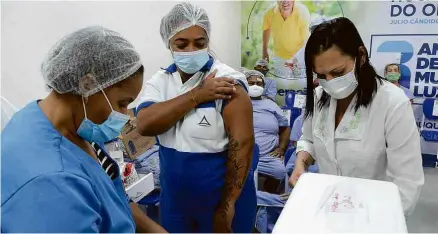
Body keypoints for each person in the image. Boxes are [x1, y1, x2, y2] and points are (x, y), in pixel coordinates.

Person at [1, 26, 166, 233]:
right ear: (88, 85)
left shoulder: (67, 124)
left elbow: (111, 196)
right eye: (122, 103)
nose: (125, 116)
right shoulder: (52, 185)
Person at [135, 3, 256, 233]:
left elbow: (243, 145)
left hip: (220, 201)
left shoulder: (227, 81)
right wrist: (197, 95)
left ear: (207, 41)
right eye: (182, 44)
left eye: (199, 43)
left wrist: (227, 206)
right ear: (168, 43)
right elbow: (144, 124)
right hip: (176, 202)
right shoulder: (161, 82)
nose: (191, 50)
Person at [289, 17, 424, 217]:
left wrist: (375, 222)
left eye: (338, 72)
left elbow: (406, 185)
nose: (330, 83)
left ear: (361, 56)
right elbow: (308, 138)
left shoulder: (392, 103)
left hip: (374, 215)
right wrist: (301, 162)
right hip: (330, 208)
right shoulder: (319, 98)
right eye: (321, 75)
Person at [245, 70, 291, 193]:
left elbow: (285, 127)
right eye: (251, 83)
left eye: (259, 84)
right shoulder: (239, 103)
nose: (255, 86)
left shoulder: (271, 105)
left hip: (268, 156)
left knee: (281, 172)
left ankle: (269, 196)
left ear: (264, 87)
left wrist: (281, 148)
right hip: (243, 156)